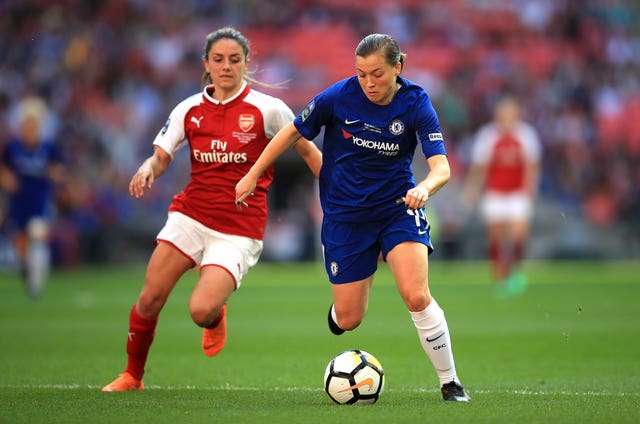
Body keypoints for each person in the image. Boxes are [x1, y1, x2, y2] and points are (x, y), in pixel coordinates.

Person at [236, 33, 471, 402]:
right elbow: (291, 133)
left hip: (398, 210)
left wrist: (425, 188)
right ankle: (340, 309)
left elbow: (441, 168)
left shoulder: (416, 103)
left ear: (398, 67)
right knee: (349, 320)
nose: (369, 82)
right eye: (361, 74)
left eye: (377, 73)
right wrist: (252, 174)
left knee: (415, 294)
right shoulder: (337, 96)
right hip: (345, 218)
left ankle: (450, 382)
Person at [102, 27, 321, 392]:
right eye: (218, 59)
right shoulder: (188, 109)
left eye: (235, 60)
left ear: (247, 63)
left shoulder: (269, 109)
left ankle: (215, 313)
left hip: (238, 228)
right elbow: (161, 157)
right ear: (206, 63)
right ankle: (132, 376)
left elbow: (310, 153)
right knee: (150, 297)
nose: (226, 66)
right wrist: (146, 168)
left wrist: (340, 193)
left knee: (200, 310)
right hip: (190, 215)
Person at [462, 96, 541, 297]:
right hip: (495, 192)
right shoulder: (488, 136)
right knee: (496, 237)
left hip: (516, 193)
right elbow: (480, 167)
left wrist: (529, 190)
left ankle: (516, 273)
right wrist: (473, 190)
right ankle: (499, 277)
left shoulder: (526, 135)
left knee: (517, 235)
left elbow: (532, 166)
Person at [0, 96, 64, 298]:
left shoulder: (47, 148)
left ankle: (35, 286)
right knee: (20, 245)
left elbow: (58, 170)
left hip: (40, 201)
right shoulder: (13, 148)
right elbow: (4, 170)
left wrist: (55, 175)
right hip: (18, 203)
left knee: (38, 237)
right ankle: (28, 272)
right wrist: (7, 180)